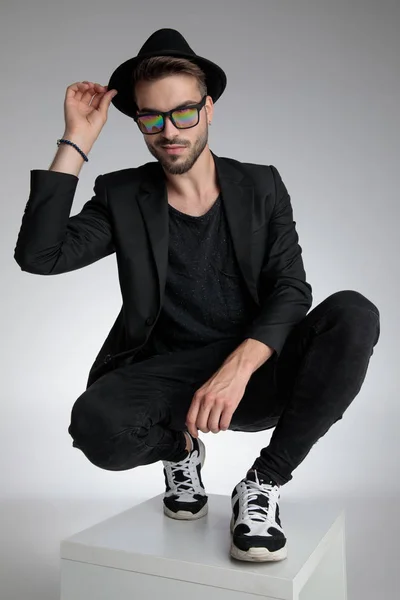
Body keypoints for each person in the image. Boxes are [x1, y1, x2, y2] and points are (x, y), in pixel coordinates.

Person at [14, 28, 380, 563]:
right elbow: (39, 256)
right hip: (171, 375)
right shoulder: (121, 196)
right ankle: (181, 450)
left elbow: (291, 289)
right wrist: (76, 142)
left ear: (209, 110)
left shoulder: (262, 185)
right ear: (138, 122)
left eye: (184, 113)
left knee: (353, 312)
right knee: (94, 426)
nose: (169, 132)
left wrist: (238, 367)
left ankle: (263, 486)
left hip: (255, 372)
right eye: (152, 118)